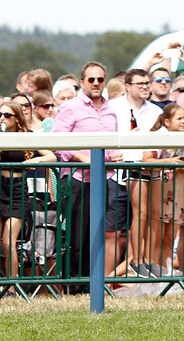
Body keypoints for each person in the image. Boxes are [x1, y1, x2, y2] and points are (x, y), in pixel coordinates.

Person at [52, 62, 125, 286]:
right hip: (78, 180)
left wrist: (115, 156)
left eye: (100, 79)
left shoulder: (112, 109)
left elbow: (113, 143)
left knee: (100, 235)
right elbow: (57, 141)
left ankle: (92, 284)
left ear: (105, 82)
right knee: (78, 237)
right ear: (82, 82)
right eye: (91, 79)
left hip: (106, 179)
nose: (96, 83)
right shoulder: (71, 107)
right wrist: (82, 158)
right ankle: (76, 286)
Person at [0, 102, 55, 281]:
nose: (2, 119)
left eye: (7, 115)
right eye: (0, 114)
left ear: (17, 119)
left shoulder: (27, 136)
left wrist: (33, 162)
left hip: (17, 190)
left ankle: (11, 286)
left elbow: (51, 156)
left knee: (8, 242)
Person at [107, 69, 163, 276]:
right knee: (112, 232)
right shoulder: (112, 107)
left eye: (147, 83)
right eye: (140, 83)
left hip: (145, 172)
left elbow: (161, 144)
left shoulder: (156, 111)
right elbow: (103, 136)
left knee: (144, 220)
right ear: (127, 86)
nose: (145, 86)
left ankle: (138, 267)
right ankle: (104, 282)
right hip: (114, 175)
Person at [141, 104, 184, 277]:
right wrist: (171, 162)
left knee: (171, 234)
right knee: (158, 233)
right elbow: (146, 160)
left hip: (180, 185)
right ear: (167, 122)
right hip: (160, 186)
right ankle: (153, 270)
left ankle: (165, 272)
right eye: (180, 118)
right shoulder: (158, 136)